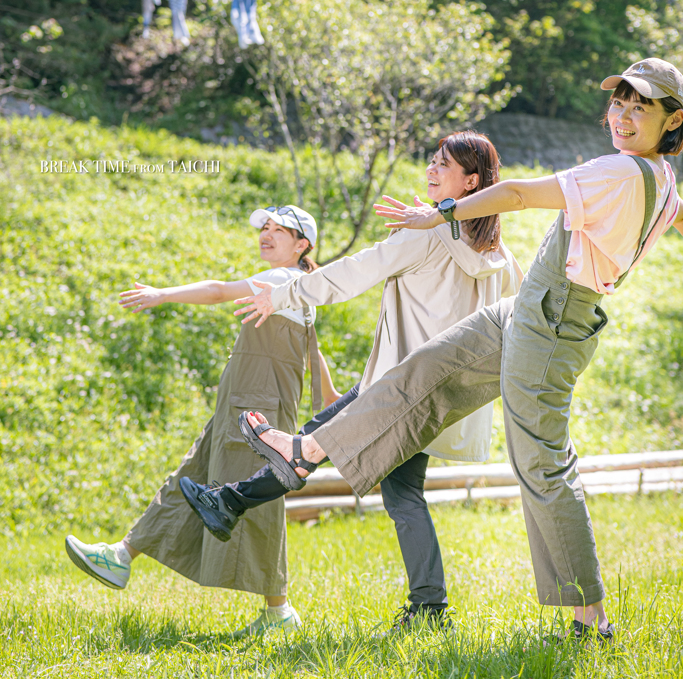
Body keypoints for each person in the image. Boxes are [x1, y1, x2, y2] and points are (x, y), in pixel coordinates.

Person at [226, 58, 683, 642]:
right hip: (531, 310)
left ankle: (589, 619)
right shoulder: (660, 181)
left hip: (552, 319)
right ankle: (304, 447)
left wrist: (437, 213)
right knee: (425, 369)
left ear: (672, 119)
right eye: (619, 102)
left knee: (541, 465)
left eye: (640, 106)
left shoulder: (620, 171)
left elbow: (515, 193)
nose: (622, 115)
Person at [179, 131, 523, 631]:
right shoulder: (498, 256)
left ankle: (428, 607)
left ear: (471, 182)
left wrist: (283, 295)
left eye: (442, 165)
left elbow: (350, 273)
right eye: (430, 160)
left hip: (397, 386)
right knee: (374, 474)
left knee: (338, 459)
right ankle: (230, 501)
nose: (430, 169)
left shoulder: (428, 235)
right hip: (441, 392)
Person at [65, 204, 330, 638]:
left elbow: (218, 290)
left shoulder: (283, 279)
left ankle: (279, 611)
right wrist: (330, 394)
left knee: (257, 497)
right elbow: (311, 350)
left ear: (302, 245)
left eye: (278, 230)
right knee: (192, 476)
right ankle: (121, 555)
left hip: (253, 408)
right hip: (246, 403)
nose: (266, 235)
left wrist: (162, 294)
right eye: (264, 228)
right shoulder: (295, 288)